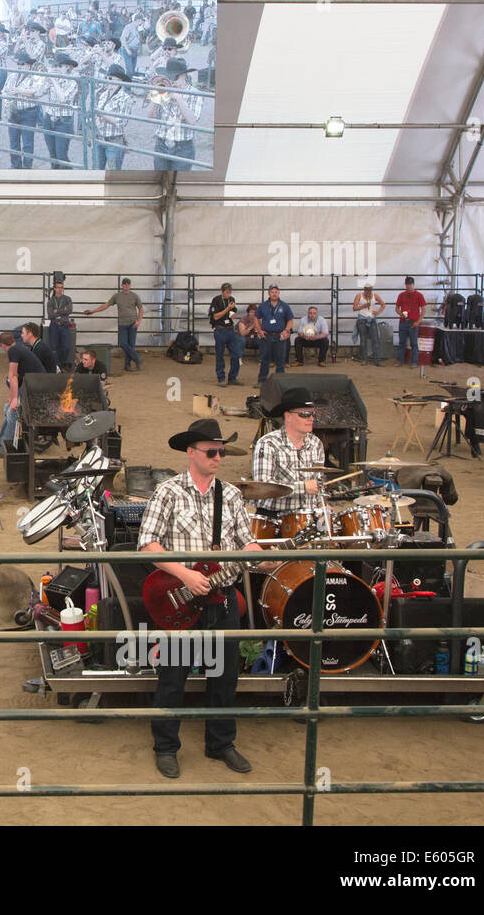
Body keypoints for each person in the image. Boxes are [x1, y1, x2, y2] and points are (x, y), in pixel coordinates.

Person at [139, 419, 265, 779]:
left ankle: (221, 744)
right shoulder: (167, 492)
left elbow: (246, 543)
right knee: (172, 679)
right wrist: (185, 574)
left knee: (225, 679)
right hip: (180, 598)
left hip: (222, 599)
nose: (218, 457)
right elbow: (148, 544)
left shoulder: (232, 495)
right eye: (212, 451)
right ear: (191, 452)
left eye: (222, 451)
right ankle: (165, 748)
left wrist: (262, 554)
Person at [251, 387, 325, 525]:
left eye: (312, 414)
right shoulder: (268, 443)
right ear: (288, 416)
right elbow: (263, 486)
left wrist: (322, 505)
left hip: (308, 519)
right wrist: (302, 487)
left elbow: (319, 484)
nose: (311, 418)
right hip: (274, 519)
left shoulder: (316, 444)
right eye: (304, 414)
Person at [148, 59, 202, 171]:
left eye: (174, 77)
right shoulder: (165, 89)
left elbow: (192, 121)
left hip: (183, 147)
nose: (172, 81)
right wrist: (156, 95)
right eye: (169, 77)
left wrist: (178, 98)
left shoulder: (195, 93)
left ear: (184, 75)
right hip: (161, 144)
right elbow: (150, 116)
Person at [0, 330, 45, 451]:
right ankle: (1, 444)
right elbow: (12, 375)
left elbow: (13, 376)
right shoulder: (17, 347)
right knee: (8, 408)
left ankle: (3, 449)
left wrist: (14, 399)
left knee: (13, 413)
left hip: (34, 384)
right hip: (34, 382)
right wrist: (12, 397)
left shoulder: (13, 350)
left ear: (2, 345)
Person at [84, 277, 143, 372]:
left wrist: (138, 321)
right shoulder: (117, 296)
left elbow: (140, 309)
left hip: (133, 323)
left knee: (131, 346)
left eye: (128, 284)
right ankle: (137, 359)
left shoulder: (135, 296)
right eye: (124, 284)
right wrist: (93, 311)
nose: (126, 286)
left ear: (130, 285)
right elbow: (106, 305)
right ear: (122, 285)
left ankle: (127, 365)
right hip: (122, 324)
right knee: (123, 343)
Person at [40, 54, 80, 169]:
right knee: (52, 155)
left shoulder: (72, 82)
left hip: (63, 122)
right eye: (55, 66)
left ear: (67, 67)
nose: (55, 68)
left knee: (61, 155)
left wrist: (52, 79)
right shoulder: (53, 78)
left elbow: (63, 99)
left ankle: (66, 178)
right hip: (49, 118)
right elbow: (39, 92)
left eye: (58, 66)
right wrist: (45, 78)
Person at [7, 51, 45, 168]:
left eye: (22, 64)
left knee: (27, 143)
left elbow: (36, 92)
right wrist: (6, 104)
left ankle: (27, 167)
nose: (19, 66)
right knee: (14, 142)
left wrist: (19, 91)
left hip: (28, 112)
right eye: (18, 64)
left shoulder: (35, 77)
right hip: (14, 111)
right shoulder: (13, 75)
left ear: (28, 65)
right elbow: (5, 90)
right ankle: (15, 166)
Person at [253, 285, 294, 385]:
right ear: (269, 293)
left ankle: (280, 382)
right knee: (264, 360)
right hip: (266, 336)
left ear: (278, 293)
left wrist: (287, 330)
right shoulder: (263, 306)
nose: (274, 294)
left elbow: (290, 320)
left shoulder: (284, 306)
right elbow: (255, 318)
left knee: (280, 360)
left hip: (279, 337)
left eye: (276, 292)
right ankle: (262, 381)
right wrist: (259, 330)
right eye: (272, 292)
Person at [208, 282, 241, 387]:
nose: (229, 294)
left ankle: (233, 377)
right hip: (220, 330)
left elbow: (233, 313)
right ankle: (221, 378)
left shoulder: (232, 300)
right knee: (220, 355)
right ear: (222, 291)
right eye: (227, 292)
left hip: (230, 330)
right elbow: (216, 317)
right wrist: (227, 309)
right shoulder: (216, 300)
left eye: (230, 292)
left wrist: (233, 314)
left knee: (236, 354)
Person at [395, 276, 427, 367]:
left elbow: (424, 310)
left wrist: (418, 322)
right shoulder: (401, 295)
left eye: (410, 284)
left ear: (413, 284)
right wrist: (400, 313)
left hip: (413, 322)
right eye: (407, 284)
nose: (409, 286)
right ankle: (400, 361)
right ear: (405, 285)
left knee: (414, 343)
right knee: (402, 342)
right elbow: (397, 308)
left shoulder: (419, 295)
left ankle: (414, 362)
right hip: (403, 321)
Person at [351, 283, 384, 366]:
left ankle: (376, 360)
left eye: (370, 291)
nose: (368, 293)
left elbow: (383, 304)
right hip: (362, 318)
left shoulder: (375, 296)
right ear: (364, 290)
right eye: (367, 291)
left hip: (371, 318)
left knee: (375, 340)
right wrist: (363, 306)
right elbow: (354, 308)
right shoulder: (359, 296)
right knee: (363, 340)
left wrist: (377, 312)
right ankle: (364, 359)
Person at [46, 280, 75, 371]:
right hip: (54, 325)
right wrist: (63, 311)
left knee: (66, 347)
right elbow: (50, 315)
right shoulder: (51, 301)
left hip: (64, 325)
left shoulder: (67, 299)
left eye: (61, 287)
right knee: (54, 347)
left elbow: (69, 310)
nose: (59, 289)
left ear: (63, 289)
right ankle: (57, 366)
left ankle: (62, 364)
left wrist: (57, 311)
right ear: (54, 289)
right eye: (58, 287)